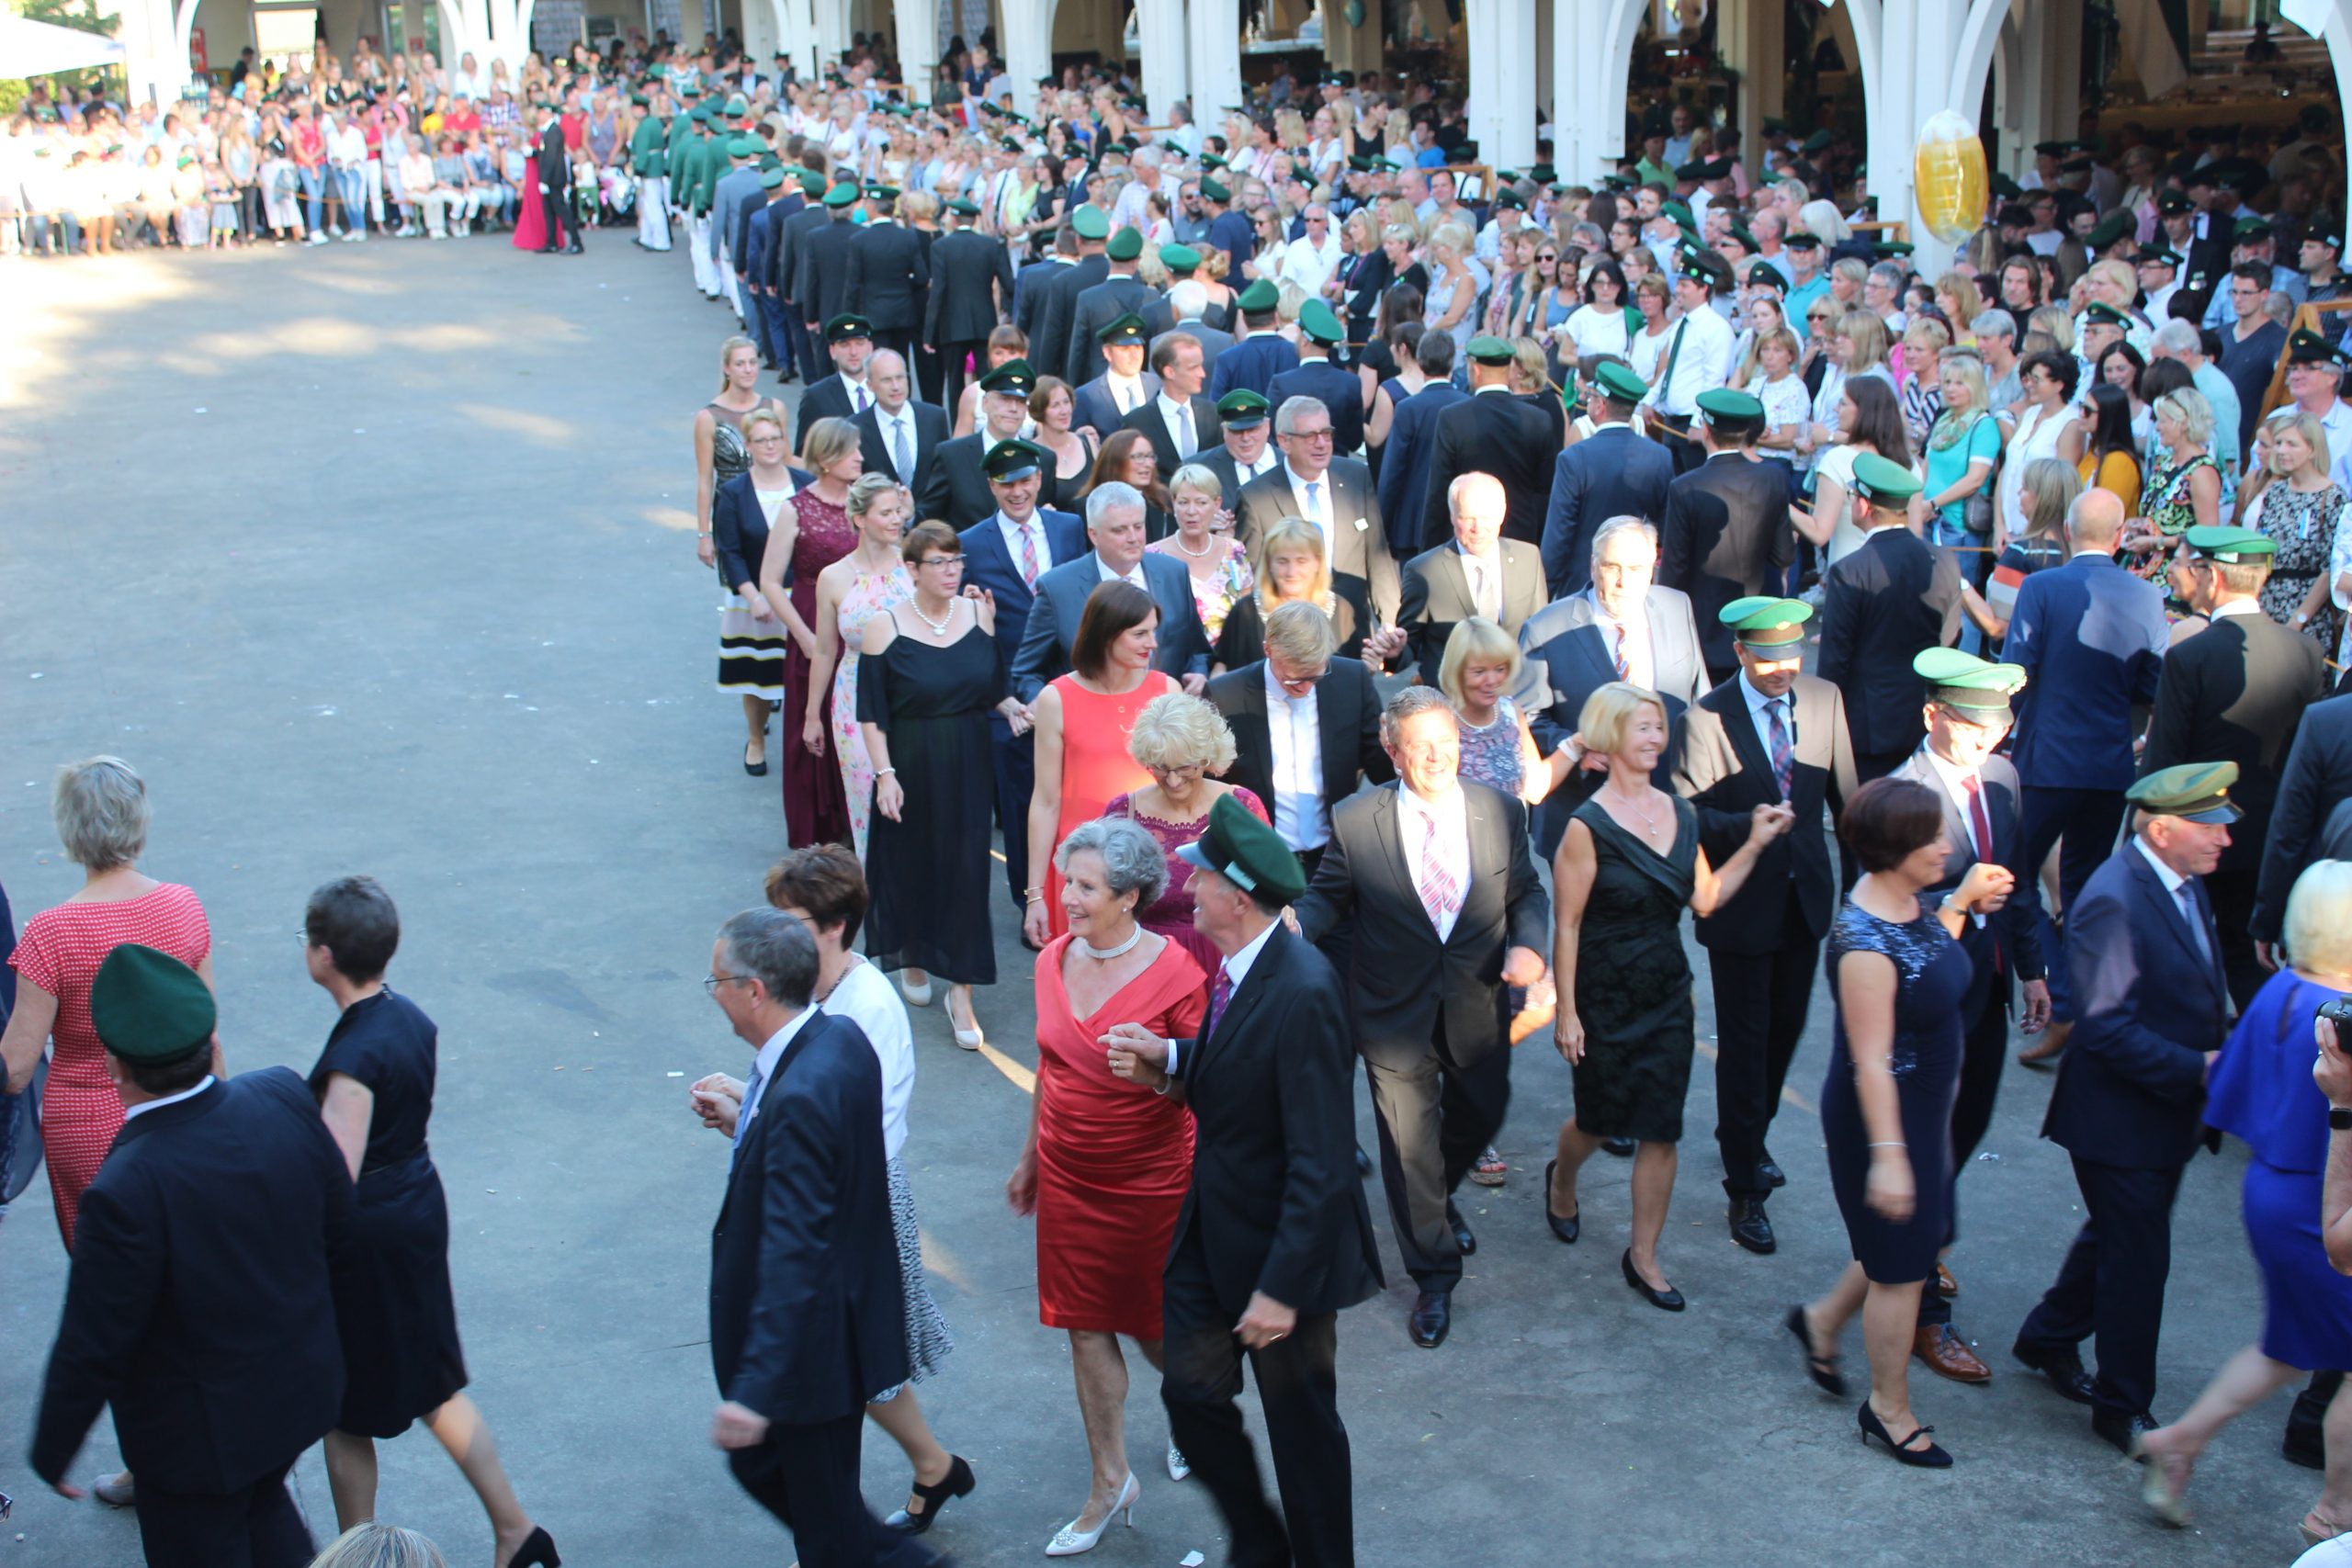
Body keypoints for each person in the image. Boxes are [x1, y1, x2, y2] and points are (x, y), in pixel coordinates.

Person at [1102, 795, 1383, 1568]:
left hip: (1283, 1252)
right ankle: (1260, 1545)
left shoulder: (1305, 988)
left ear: (1237, 895)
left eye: (1200, 878)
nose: (1186, 889)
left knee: (1302, 1432)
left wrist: (1282, 1289)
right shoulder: (1237, 968)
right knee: (1190, 1395)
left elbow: (1322, 1155)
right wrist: (1169, 1058)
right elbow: (1243, 1066)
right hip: (1214, 1229)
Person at [30, 943, 352, 1568]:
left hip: (197, 1444)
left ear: (116, 1067)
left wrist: (53, 1448)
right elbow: (339, 1223)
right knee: (266, 1509)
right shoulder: (280, 1093)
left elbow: (93, 1341)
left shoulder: (124, 1186)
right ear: (207, 1041)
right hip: (295, 1395)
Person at [687, 848, 974, 1537]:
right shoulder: (822, 1002)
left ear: (837, 926)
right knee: (861, 1369)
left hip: (861, 1197)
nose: (778, 936)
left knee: (858, 1367)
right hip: (846, 1189)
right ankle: (890, 1496)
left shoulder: (862, 1008)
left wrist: (752, 1117)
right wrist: (747, 1108)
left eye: (792, 922)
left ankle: (858, 1520)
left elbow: (825, 1136)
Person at [300, 877, 556, 1568]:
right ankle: (516, 1530)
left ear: (324, 956)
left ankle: (357, 1553)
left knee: (343, 1412)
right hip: (416, 1203)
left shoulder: (353, 1058)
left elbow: (335, 1178)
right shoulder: (409, 1018)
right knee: (434, 1384)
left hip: (368, 1236)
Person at [1292, 688, 1546, 1348]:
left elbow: (1526, 891)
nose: (1439, 757)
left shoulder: (1500, 810)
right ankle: (1435, 1275)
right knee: (1408, 1151)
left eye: (1448, 742)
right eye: (1422, 745)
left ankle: (1436, 1192)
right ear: (1393, 750)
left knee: (1480, 1115)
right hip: (1391, 1014)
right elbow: (1328, 897)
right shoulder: (1356, 819)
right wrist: (1294, 928)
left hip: (1477, 1004)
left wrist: (1529, 945)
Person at [1544, 682, 1793, 1309]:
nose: (1656, 738)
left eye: (1659, 726)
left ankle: (1644, 1256)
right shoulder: (1586, 826)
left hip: (1667, 994)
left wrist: (1756, 842)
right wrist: (1567, 1011)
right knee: (1599, 1121)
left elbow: (1704, 899)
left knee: (1661, 1128)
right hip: (1603, 994)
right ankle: (1563, 1176)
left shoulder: (1682, 813)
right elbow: (1567, 924)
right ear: (1610, 734)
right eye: (1643, 727)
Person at [2015, 764, 2239, 1456]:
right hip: (2120, 1122)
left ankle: (2048, 1336)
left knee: (2118, 1237)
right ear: (2162, 829)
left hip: (2160, 1114)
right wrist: (2201, 1068)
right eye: (2210, 826)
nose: (2225, 839)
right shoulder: (2115, 899)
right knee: (2139, 1260)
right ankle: (2123, 1405)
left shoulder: (2179, 878)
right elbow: (2106, 1028)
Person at [1790, 777, 2013, 1469]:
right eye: (1932, 838)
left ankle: (1822, 1320)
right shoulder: (1862, 944)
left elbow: (1924, 965)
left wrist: (1959, 905)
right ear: (1894, 852)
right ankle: (1887, 1409)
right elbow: (1871, 1062)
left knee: (1910, 1242)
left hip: (1920, 1111)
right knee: (1902, 1268)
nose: (1946, 846)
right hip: (1883, 1118)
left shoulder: (1909, 903)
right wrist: (1889, 1157)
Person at [2135, 862, 2352, 1540]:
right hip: (2320, 1203)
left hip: (2271, 1188)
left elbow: (2229, 1084)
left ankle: (2179, 1441)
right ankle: (2336, 1511)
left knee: (2286, 1347)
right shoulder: (2341, 1017)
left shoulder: (2281, 987)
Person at [1008, 818, 1207, 1552]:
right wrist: (1030, 1157)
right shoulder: (1052, 960)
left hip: (1150, 1181)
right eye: (1069, 881)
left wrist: (1157, 1073)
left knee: (1153, 1329)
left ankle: (1193, 1414)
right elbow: (1050, 1065)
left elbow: (1207, 1087)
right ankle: (1109, 1478)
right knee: (1084, 1324)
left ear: (1129, 896)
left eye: (1086, 887)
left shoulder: (1179, 973)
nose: (1069, 898)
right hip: (1069, 1175)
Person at [1881, 650, 2051, 1376]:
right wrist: (1955, 901)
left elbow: (2020, 881)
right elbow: (1879, 918)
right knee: (1926, 1153)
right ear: (1932, 715)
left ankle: (1923, 1246)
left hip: (1988, 993)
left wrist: (2034, 968)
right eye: (1972, 726)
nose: (1988, 739)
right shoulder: (1900, 798)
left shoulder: (2003, 779)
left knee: (1963, 1132)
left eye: (1998, 726)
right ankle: (1924, 1315)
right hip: (1925, 1005)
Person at [1671, 598, 1859, 1252]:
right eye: (1768, 659)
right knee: (1745, 1045)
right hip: (1740, 906)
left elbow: (1848, 802)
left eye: (1792, 656)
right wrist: (1747, 827)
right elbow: (1687, 817)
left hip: (1805, 900)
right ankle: (1745, 1182)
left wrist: (1862, 895)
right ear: (1740, 653)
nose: (1783, 669)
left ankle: (1750, 1133)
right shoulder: (1704, 719)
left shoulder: (1824, 700)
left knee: (1785, 1032)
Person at [3, 757, 213, 1257]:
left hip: (85, 1127)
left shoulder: (51, 932)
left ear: (70, 830)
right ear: (139, 819)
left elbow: (15, 1069)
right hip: (177, 1110)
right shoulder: (183, 906)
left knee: (107, 1265)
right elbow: (207, 1033)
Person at [2143, 527, 2329, 1010]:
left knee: (2195, 963)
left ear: (2214, 576)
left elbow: (2162, 766)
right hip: (2279, 839)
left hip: (2204, 837)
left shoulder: (2190, 656)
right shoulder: (2306, 652)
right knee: (2252, 960)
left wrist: (2137, 848)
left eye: (2193, 566)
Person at [860, 522, 1017, 1049]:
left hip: (969, 760)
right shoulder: (884, 627)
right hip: (910, 759)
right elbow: (872, 713)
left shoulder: (978, 614)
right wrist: (885, 775)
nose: (951, 571)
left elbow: (992, 687)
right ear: (912, 569)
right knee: (912, 864)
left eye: (956, 561)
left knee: (967, 872)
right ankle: (912, 951)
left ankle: (962, 993)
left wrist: (1014, 708)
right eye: (939, 562)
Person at [2007, 487, 2171, 926]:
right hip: (2107, 764)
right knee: (2088, 888)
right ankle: (2074, 965)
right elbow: (2151, 686)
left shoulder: (2040, 587)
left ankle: (2031, 962)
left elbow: (2015, 676)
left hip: (2046, 762)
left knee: (2012, 877)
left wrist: (1993, 741)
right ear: (2118, 537)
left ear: (2066, 531)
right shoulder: (2147, 596)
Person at [1514, 516, 1711, 855]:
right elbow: (1525, 718)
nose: (1624, 581)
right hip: (1583, 815)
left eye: (1636, 568)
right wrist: (1575, 748)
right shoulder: (1545, 628)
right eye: (1612, 567)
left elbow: (1699, 698)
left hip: (1665, 809)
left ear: (1653, 566)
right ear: (1593, 566)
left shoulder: (1677, 607)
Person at [1024, 581, 1182, 947]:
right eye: (1140, 634)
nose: (1153, 643)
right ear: (1106, 634)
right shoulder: (1056, 698)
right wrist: (1034, 895)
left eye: (1154, 632)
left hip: (1148, 870)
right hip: (1083, 872)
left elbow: (1183, 788)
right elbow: (1045, 802)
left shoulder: (1167, 691)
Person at [1205, 599, 1395, 883]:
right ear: (1268, 650)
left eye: (1315, 677)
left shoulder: (1351, 680)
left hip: (1333, 857)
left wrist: (1394, 748)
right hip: (1258, 859)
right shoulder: (1225, 694)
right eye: (1293, 680)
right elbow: (1211, 785)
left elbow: (1381, 770)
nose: (1305, 688)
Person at [1816, 456, 1962, 784]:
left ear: (1864, 505)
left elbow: (1834, 663)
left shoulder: (1850, 570)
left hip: (1866, 729)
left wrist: (1823, 730)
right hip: (1925, 721)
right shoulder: (1944, 560)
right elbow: (1949, 642)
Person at [1103, 693, 1271, 976]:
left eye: (1184, 767)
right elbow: (1107, 898)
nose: (1172, 780)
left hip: (1226, 960)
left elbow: (1266, 890)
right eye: (1160, 767)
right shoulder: (1124, 813)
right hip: (1147, 964)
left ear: (1207, 758)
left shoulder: (1242, 806)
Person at [757, 415, 862, 847]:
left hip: (858, 621)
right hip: (811, 620)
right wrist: (802, 634)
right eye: (852, 450)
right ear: (826, 457)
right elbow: (769, 580)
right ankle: (815, 833)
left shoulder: (864, 503)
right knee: (811, 719)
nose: (860, 457)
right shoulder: (795, 509)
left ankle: (854, 823)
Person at [1013, 479, 1214, 702]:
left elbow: (1197, 649)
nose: (1133, 538)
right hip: (1090, 716)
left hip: (1166, 715)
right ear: (1093, 534)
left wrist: (1199, 673)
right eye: (1120, 530)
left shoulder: (1173, 573)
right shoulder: (1057, 588)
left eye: (1138, 526)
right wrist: (1049, 709)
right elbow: (1027, 672)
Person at [805, 473, 914, 862]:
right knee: (866, 794)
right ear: (860, 519)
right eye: (885, 513)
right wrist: (812, 716)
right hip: (854, 696)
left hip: (911, 691)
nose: (896, 519)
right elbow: (824, 650)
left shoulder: (913, 566)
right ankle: (875, 881)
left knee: (914, 793)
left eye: (898, 510)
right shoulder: (834, 577)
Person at [1234, 395, 1401, 637]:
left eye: (1326, 433)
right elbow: (1254, 576)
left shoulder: (1356, 477)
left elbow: (1378, 558)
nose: (1321, 443)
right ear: (1284, 441)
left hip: (1352, 632)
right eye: (1310, 436)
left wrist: (1390, 624)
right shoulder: (1255, 497)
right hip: (1291, 635)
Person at [1659, 389, 1794, 683]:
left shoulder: (1685, 487)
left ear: (1706, 431)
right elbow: (1784, 554)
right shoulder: (1772, 478)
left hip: (1703, 631)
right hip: (1758, 626)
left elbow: (1674, 571)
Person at [1541, 359, 1677, 597]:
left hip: (1584, 587)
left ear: (1601, 404)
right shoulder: (1660, 457)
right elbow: (1665, 531)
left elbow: (1558, 535)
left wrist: (1546, 588)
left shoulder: (1574, 458)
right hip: (1636, 584)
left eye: (1591, 397)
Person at [1398, 472, 1544, 687]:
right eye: (1467, 518)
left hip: (1514, 696)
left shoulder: (1528, 558)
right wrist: (1392, 654)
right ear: (1452, 516)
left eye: (1486, 517)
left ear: (1502, 513)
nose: (1477, 528)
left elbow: (1539, 633)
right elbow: (1406, 648)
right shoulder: (1424, 570)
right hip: (1450, 699)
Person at [1417, 335, 1561, 550]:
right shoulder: (1538, 419)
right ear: (1509, 369)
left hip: (1467, 539)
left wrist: (1429, 553)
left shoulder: (1453, 418)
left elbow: (1438, 492)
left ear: (1475, 370)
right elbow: (1545, 491)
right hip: (1520, 541)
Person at [2244, 410, 2352, 651]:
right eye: (2279, 443)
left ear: (2312, 449)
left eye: (2292, 444)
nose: (2282, 450)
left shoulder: (2332, 497)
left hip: (2309, 610)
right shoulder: (2276, 492)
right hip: (2267, 601)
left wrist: (2299, 618)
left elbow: (2329, 568)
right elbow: (2260, 549)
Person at [1148, 462, 1255, 644]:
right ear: (1173, 503)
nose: (1191, 511)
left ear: (1217, 504)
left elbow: (1247, 616)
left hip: (1231, 656)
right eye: (1183, 502)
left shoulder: (1235, 551)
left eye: (1201, 502)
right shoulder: (1152, 556)